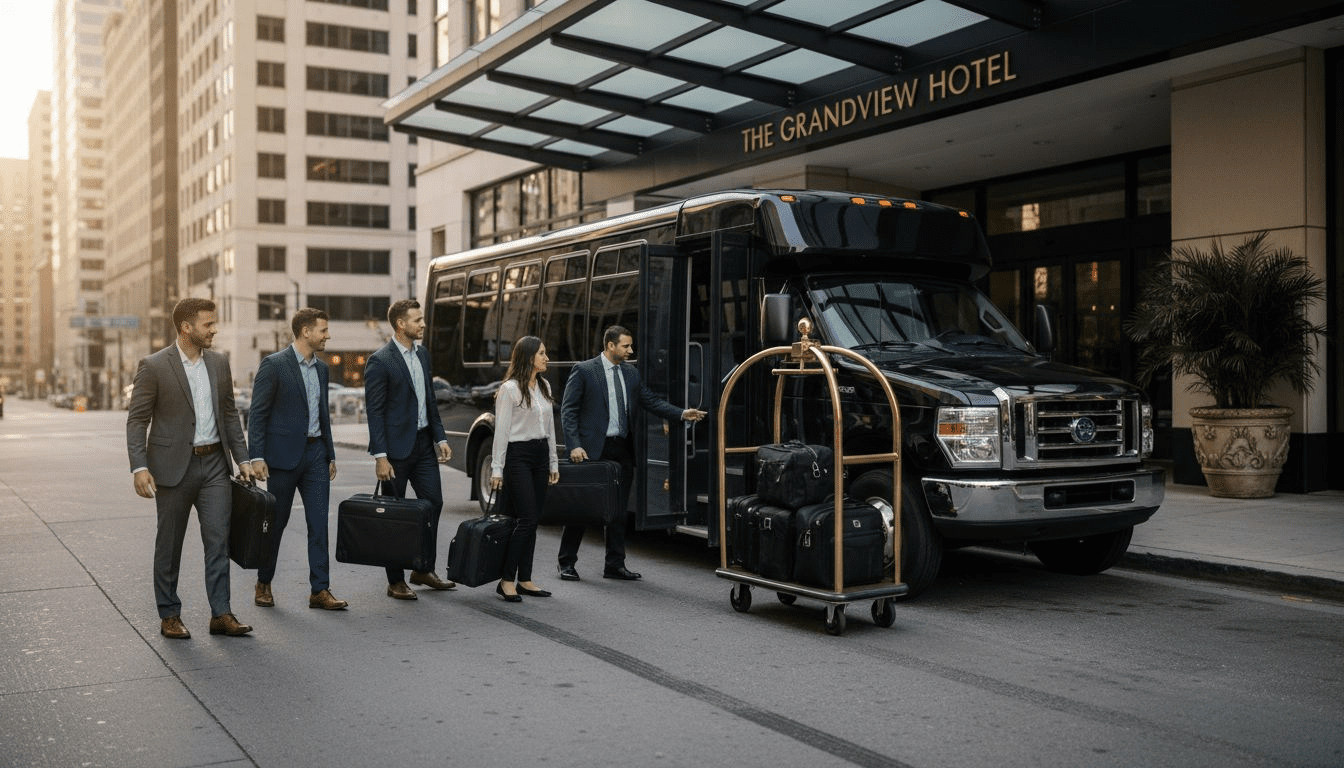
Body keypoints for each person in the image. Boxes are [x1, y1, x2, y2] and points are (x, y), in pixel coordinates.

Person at [126, 297, 257, 639]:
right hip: (172, 468)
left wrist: (242, 459)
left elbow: (229, 414)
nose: (214, 330)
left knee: (218, 541)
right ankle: (169, 613)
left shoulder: (219, 363)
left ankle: (221, 613)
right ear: (186, 327)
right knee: (169, 545)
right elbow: (137, 420)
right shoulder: (154, 366)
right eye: (208, 324)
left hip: (215, 466)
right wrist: (139, 467)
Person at [557, 325, 707, 581]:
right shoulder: (584, 370)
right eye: (625, 346)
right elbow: (568, 410)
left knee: (618, 510)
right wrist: (575, 445)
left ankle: (614, 565)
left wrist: (682, 413)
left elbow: (650, 400)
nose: (630, 350)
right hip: (591, 450)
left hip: (622, 448)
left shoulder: (631, 373)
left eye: (630, 346)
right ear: (610, 345)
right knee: (582, 508)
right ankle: (566, 563)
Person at [247, 308, 348, 611]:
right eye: (323, 330)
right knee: (276, 523)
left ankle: (320, 589)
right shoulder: (274, 365)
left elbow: (323, 414)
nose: (328, 336)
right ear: (306, 331)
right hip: (282, 458)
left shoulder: (322, 369)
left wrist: (330, 453)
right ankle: (264, 582)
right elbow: (258, 414)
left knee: (319, 523)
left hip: (316, 455)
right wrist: (256, 456)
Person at [364, 299, 455, 600]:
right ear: (401, 324)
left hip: (424, 444)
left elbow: (429, 399)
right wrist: (380, 456)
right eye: (418, 320)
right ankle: (395, 580)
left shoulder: (423, 355)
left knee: (433, 503)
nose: (423, 324)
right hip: (394, 451)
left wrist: (440, 437)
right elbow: (375, 412)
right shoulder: (380, 361)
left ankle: (423, 568)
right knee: (394, 515)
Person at [489, 336, 559, 602]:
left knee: (533, 520)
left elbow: (550, 428)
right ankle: (507, 580)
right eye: (542, 353)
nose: (546, 358)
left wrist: (553, 461)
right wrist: (497, 469)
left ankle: (526, 579)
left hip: (540, 455)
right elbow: (501, 432)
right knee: (527, 519)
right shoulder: (509, 389)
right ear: (529, 357)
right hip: (518, 457)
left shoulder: (544, 385)